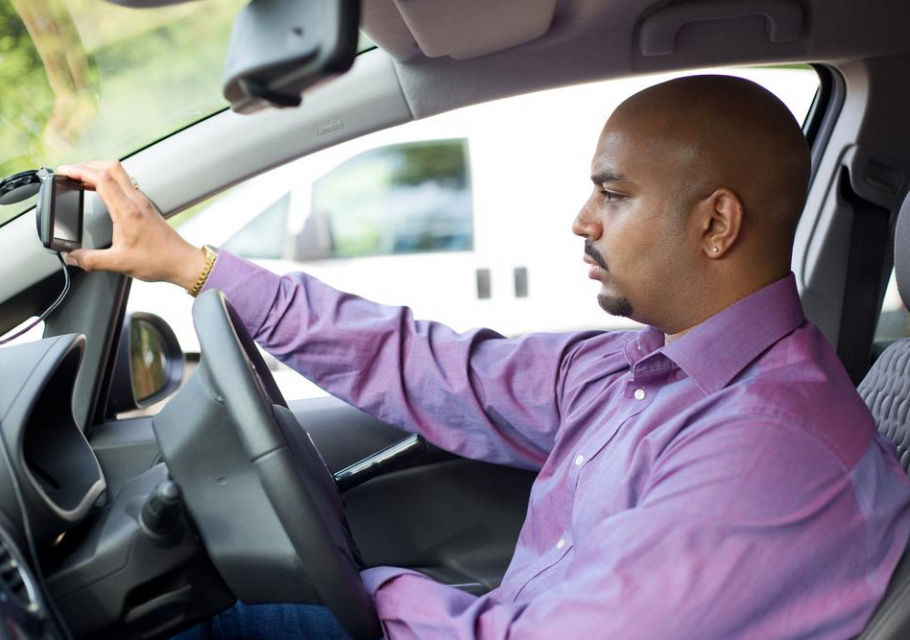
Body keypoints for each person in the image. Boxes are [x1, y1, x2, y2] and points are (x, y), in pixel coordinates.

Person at [60, 75, 910, 639]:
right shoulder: (642, 367)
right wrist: (195, 268)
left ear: (716, 225)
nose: (582, 218)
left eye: (612, 194)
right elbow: (433, 366)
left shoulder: (770, 454)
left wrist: (361, 594)